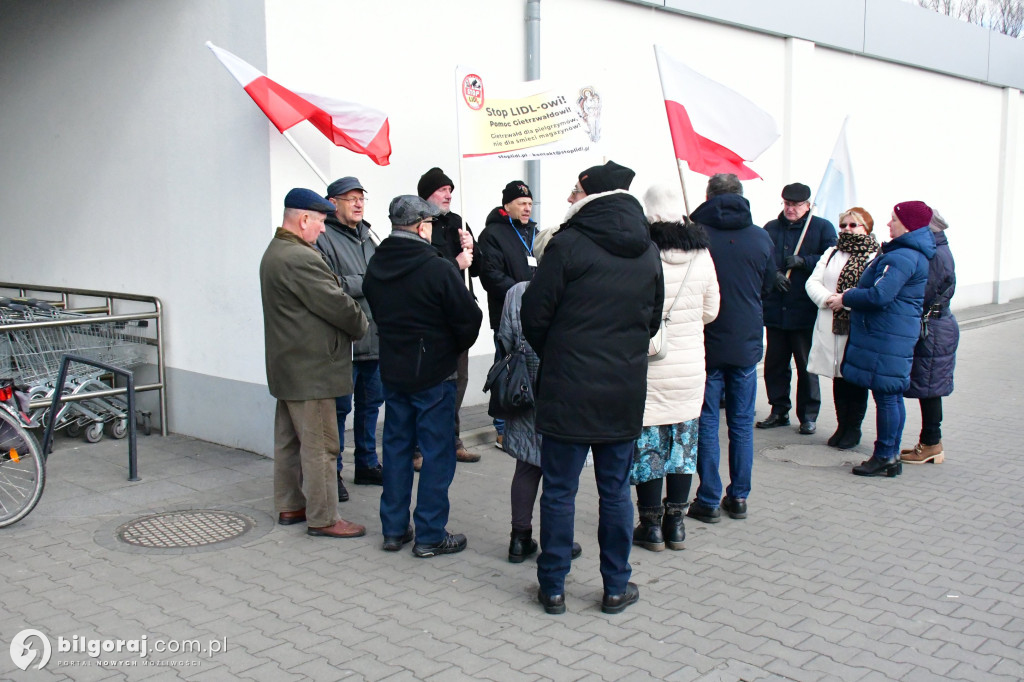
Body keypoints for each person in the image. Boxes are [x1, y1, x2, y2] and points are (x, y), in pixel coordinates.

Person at [521, 161, 663, 615]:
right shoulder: (647, 249)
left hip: (568, 387)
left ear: (590, 194)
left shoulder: (568, 244)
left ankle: (554, 587)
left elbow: (534, 317)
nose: (568, 196)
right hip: (621, 389)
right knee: (616, 491)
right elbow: (651, 320)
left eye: (575, 189)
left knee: (560, 491)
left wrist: (562, 353)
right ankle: (616, 587)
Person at [363, 196, 483, 556]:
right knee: (437, 453)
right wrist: (450, 347)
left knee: (398, 449)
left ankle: (395, 529)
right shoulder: (438, 268)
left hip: (395, 369)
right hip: (434, 373)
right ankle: (430, 533)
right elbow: (469, 320)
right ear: (420, 227)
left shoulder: (377, 263)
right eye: (429, 223)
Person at [259, 188, 369, 538]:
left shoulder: (276, 251)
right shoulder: (300, 257)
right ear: (303, 219)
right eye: (321, 221)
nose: (323, 229)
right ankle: (323, 517)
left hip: (289, 367)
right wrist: (361, 323)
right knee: (322, 445)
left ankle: (291, 504)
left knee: (290, 442)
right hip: (313, 369)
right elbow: (337, 303)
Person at [631, 185, 719, 553]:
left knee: (650, 444)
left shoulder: (641, 252)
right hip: (689, 366)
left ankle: (650, 527)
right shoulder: (702, 254)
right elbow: (711, 310)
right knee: (683, 445)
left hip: (650, 365)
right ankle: (677, 525)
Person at [687, 174, 774, 523]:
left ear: (708, 196)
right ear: (741, 196)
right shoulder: (760, 237)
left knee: (706, 422)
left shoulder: (696, 237)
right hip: (746, 342)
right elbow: (768, 287)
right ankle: (738, 496)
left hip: (705, 340)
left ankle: (708, 497)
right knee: (740, 423)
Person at [495, 228, 582, 564]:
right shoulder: (573, 291)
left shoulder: (517, 292)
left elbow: (504, 338)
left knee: (527, 466)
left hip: (522, 388)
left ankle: (520, 538)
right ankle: (557, 539)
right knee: (561, 472)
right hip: (560, 386)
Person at [842, 201, 936, 477]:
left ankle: (885, 454)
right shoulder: (908, 253)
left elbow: (879, 295)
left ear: (906, 224)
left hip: (887, 335)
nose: (888, 223)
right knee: (890, 396)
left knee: (886, 397)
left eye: (893, 219)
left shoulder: (903, 256)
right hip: (891, 333)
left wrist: (846, 297)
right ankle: (890, 455)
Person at [316, 176, 383, 502]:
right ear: (332, 203)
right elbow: (329, 285)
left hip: (375, 338)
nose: (358, 204)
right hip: (344, 342)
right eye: (350, 198)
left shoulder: (369, 237)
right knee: (340, 410)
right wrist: (370, 281)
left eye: (361, 198)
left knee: (371, 406)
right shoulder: (323, 237)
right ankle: (335, 474)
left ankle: (367, 464)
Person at [757, 183, 838, 435]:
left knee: (805, 364)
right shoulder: (771, 228)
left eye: (796, 205)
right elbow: (762, 258)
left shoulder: (822, 227)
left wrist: (805, 261)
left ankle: (808, 415)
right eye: (787, 204)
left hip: (804, 309)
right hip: (776, 309)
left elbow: (832, 257)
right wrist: (775, 275)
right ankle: (779, 409)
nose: (791, 209)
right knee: (775, 363)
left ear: (807, 205)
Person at [417, 167, 482, 464]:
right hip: (432, 318)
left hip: (459, 314)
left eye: (450, 190)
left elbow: (477, 267)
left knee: (460, 378)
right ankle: (420, 446)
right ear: (427, 193)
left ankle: (452, 438)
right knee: (429, 382)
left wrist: (472, 249)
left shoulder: (458, 221)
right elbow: (425, 268)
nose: (448, 195)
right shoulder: (418, 223)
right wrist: (456, 262)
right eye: (442, 190)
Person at [805, 207, 879, 450]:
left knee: (854, 378)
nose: (847, 229)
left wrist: (845, 301)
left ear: (866, 228)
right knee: (838, 376)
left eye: (853, 225)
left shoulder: (875, 255)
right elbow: (813, 281)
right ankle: (841, 425)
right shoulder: (832, 252)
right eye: (844, 225)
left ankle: (853, 428)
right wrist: (828, 299)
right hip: (831, 321)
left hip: (857, 324)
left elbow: (874, 291)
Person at [478, 181, 539, 451]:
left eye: (529, 204)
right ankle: (502, 428)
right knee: (507, 370)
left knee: (531, 372)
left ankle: (526, 421)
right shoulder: (492, 234)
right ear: (507, 206)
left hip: (536, 315)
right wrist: (524, 295)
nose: (527, 208)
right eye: (522, 203)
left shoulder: (534, 232)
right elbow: (491, 276)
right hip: (507, 316)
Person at [901, 209, 958, 464]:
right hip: (935, 326)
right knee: (929, 386)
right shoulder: (936, 249)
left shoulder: (935, 254)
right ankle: (929, 442)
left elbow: (924, 292)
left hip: (933, 329)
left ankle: (931, 443)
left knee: (930, 387)